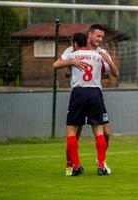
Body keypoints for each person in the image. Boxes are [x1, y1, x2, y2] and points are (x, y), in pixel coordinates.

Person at [53, 29, 119, 176]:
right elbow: (101, 72)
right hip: (95, 93)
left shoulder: (80, 52)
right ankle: (73, 165)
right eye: (98, 36)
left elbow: (56, 65)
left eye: (102, 37)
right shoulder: (95, 55)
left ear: (76, 43)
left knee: (73, 131)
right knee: (97, 131)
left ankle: (78, 165)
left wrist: (71, 64)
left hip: (79, 93)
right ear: (89, 35)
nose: (100, 39)